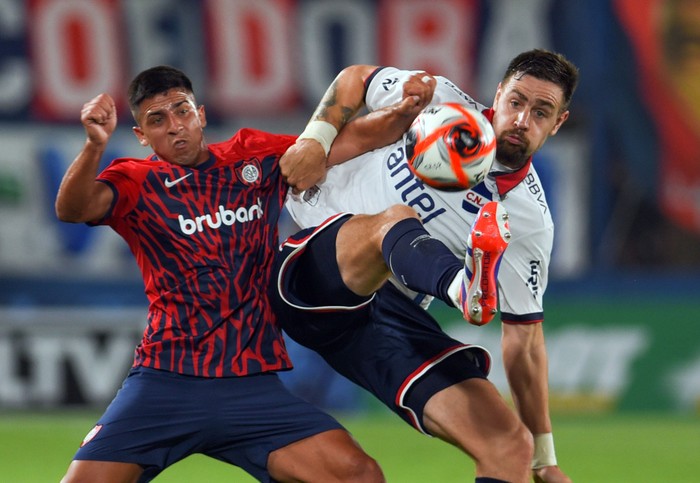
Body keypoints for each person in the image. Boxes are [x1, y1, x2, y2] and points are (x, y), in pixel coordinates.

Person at [54, 65, 395, 483]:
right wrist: (94, 146)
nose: (175, 127)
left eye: (181, 111)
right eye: (157, 120)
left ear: (200, 114)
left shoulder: (252, 156)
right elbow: (71, 209)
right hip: (166, 381)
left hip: (249, 387)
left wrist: (410, 112)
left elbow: (352, 140)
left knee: (358, 475)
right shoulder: (137, 182)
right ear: (142, 136)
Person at [275, 49, 578, 483]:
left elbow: (525, 343)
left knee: (508, 444)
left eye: (541, 112)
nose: (521, 120)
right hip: (310, 258)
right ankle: (463, 289)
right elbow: (355, 77)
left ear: (558, 122)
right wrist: (315, 140)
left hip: (382, 315)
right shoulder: (444, 104)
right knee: (395, 221)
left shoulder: (529, 222)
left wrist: (544, 459)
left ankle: (467, 290)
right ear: (499, 94)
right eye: (516, 102)